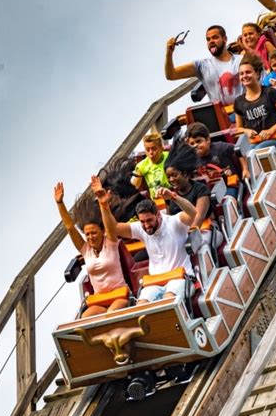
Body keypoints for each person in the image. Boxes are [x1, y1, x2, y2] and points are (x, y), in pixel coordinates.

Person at [91, 177, 197, 304]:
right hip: (154, 283)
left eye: (149, 220)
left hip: (181, 279)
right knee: (141, 306)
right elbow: (113, 228)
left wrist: (174, 197)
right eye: (142, 222)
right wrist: (104, 206)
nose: (146, 225)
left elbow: (193, 213)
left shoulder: (174, 222)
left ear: (157, 214)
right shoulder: (141, 229)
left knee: (167, 301)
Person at [54, 181, 129, 317]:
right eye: (87, 234)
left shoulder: (111, 242)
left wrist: (103, 203)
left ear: (102, 231)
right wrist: (60, 204)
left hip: (119, 295)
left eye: (94, 233)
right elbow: (70, 228)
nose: (90, 237)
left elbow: (109, 225)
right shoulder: (85, 250)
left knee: (111, 314)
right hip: (99, 300)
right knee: (85, 318)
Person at [164, 25, 242, 106]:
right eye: (208, 39)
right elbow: (171, 75)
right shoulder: (202, 65)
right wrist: (169, 53)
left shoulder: (240, 60)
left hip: (241, 112)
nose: (211, 41)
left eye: (215, 37)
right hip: (219, 115)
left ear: (225, 39)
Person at [234, 53, 276, 153]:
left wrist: (270, 131)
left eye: (248, 72)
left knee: (256, 151)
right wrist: (246, 131)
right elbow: (238, 128)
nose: (244, 76)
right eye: (241, 74)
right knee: (248, 152)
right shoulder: (239, 102)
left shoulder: (270, 92)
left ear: (257, 74)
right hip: (255, 142)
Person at [163, 141, 212, 231]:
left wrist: (190, 237)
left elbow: (199, 218)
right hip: (182, 232)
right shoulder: (170, 194)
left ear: (185, 174)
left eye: (174, 175)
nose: (171, 179)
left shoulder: (201, 190)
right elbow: (170, 220)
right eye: (168, 177)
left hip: (205, 230)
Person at [187, 121, 250, 187]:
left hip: (231, 185)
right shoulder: (192, 160)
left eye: (198, 141)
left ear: (208, 140)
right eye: (192, 144)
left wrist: (245, 169)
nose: (195, 146)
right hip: (211, 190)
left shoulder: (220, 147)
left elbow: (239, 149)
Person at [131, 131, 169, 199]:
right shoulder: (142, 165)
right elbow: (133, 188)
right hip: (157, 201)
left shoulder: (169, 157)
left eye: (154, 149)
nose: (151, 152)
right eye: (147, 150)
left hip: (172, 196)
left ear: (161, 148)